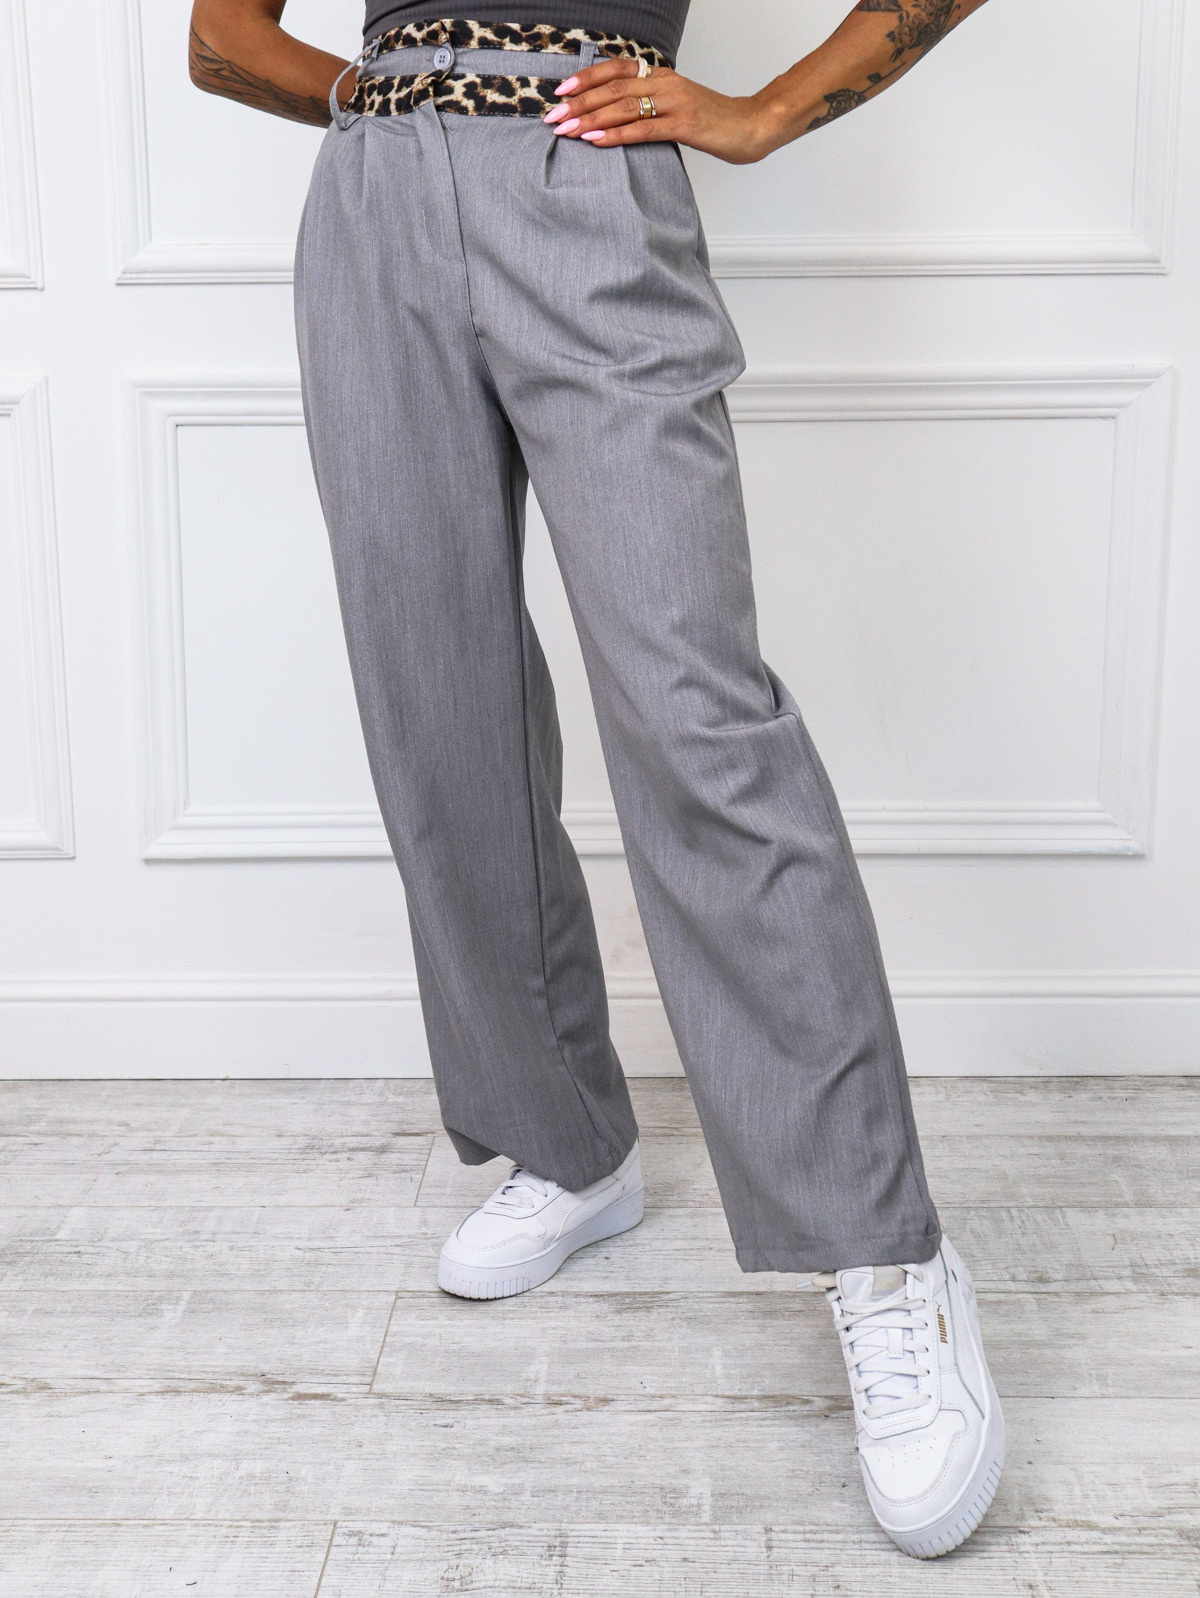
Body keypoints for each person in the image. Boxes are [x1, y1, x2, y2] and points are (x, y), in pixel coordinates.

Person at [189, 0, 1002, 1559]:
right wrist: (397, 103)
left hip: (590, 176)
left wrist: (763, 111)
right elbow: (222, 39)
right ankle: (567, 1141)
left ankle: (884, 1252)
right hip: (371, 208)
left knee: (699, 722)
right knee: (437, 713)